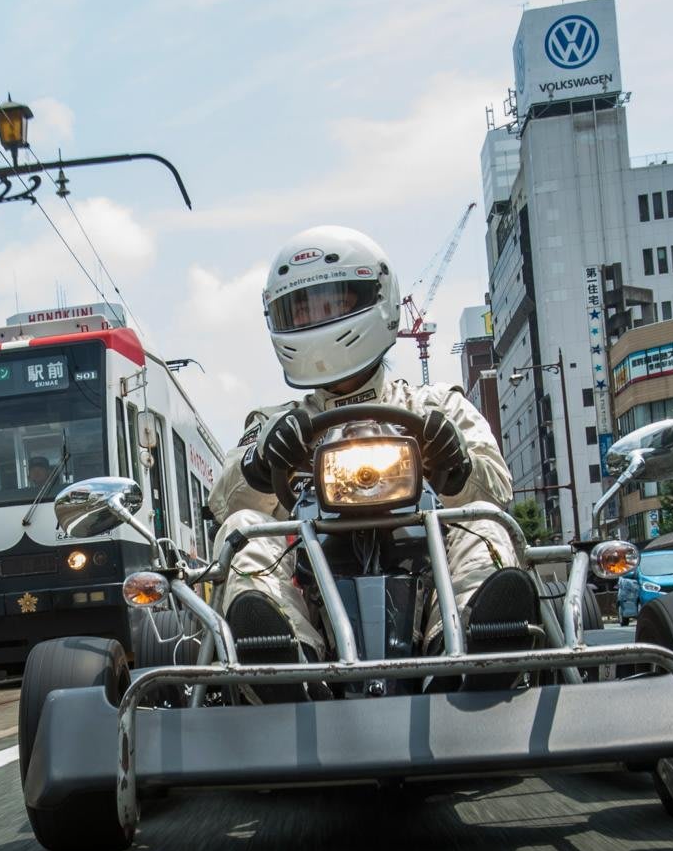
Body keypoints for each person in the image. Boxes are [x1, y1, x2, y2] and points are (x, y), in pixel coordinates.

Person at [207, 224, 539, 681]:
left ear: (377, 298)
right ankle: (284, 661)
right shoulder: (272, 423)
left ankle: (469, 649)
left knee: (480, 516)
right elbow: (224, 503)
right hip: (311, 588)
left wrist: (455, 467)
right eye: (302, 310)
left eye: (333, 303)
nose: (317, 319)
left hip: (430, 575)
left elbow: (498, 489)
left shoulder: (436, 405)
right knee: (242, 529)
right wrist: (260, 463)